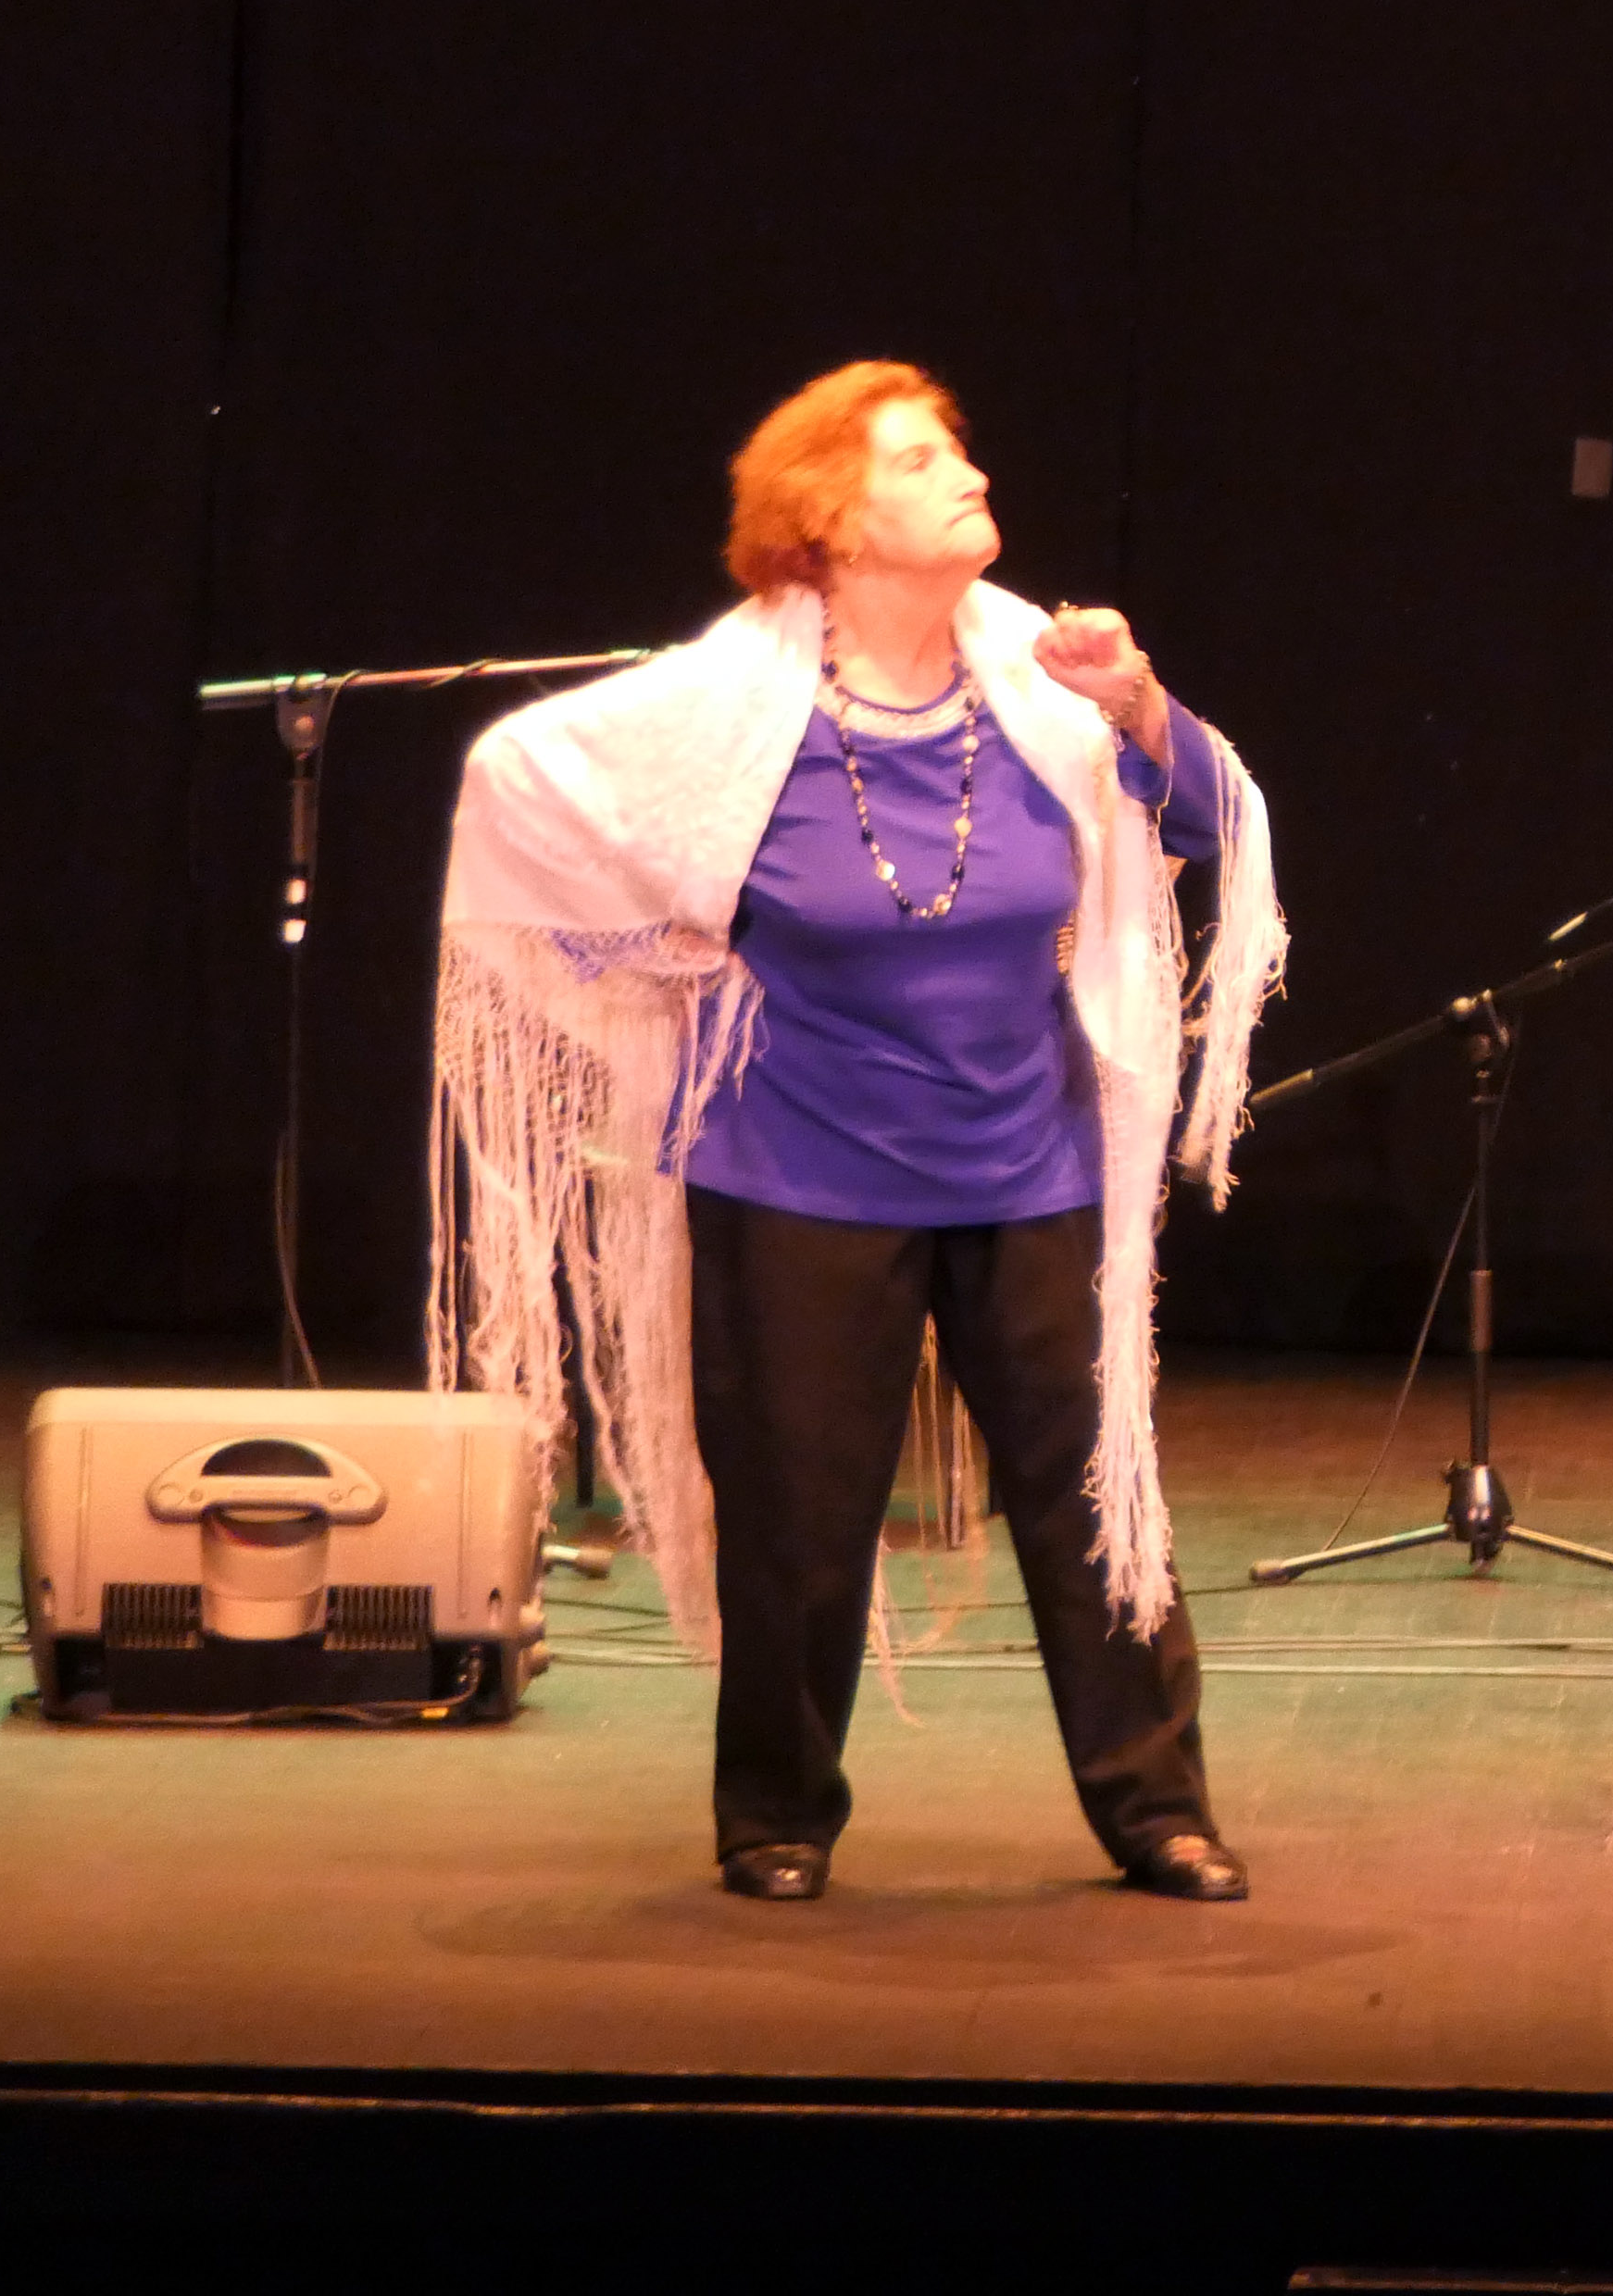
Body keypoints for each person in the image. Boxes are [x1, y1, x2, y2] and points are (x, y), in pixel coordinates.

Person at [433, 362, 1284, 1903]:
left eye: (959, 446)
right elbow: (519, 786)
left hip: (1029, 1162)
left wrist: (1137, 700)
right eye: (919, 458)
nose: (967, 472)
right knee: (797, 1520)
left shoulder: (1043, 682)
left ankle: (1156, 1806)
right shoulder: (727, 715)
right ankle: (776, 1813)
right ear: (829, 522)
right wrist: (659, 965)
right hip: (798, 1170)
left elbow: (1217, 821)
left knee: (1097, 1500)